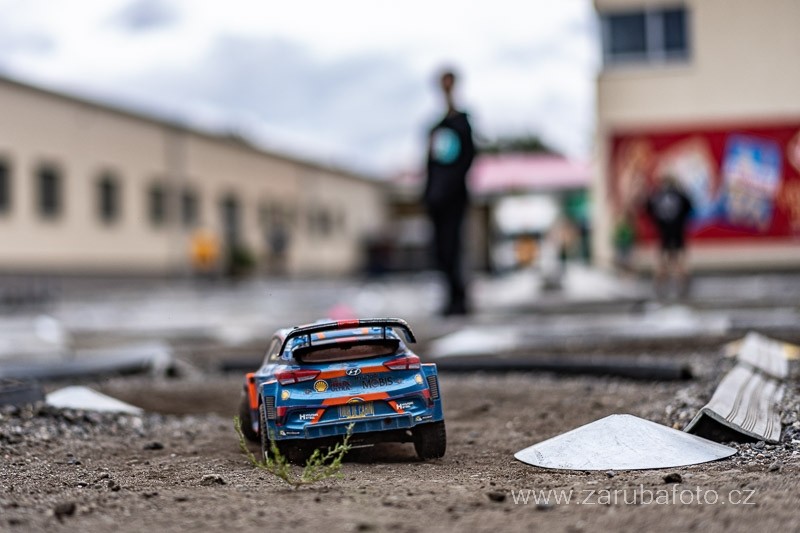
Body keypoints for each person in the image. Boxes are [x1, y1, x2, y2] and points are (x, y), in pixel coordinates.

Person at [423, 68, 475, 316]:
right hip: (437, 201)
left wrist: (450, 189)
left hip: (454, 199)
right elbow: (430, 164)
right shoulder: (436, 128)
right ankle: (450, 297)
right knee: (441, 251)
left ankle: (460, 299)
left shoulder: (461, 124)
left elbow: (466, 159)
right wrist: (429, 195)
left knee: (454, 249)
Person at [645, 175, 693, 298]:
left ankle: (660, 287)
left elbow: (648, 208)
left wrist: (659, 222)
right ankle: (683, 287)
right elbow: (690, 206)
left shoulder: (657, 196)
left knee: (662, 263)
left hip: (664, 234)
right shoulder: (680, 195)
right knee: (679, 263)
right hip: (678, 234)